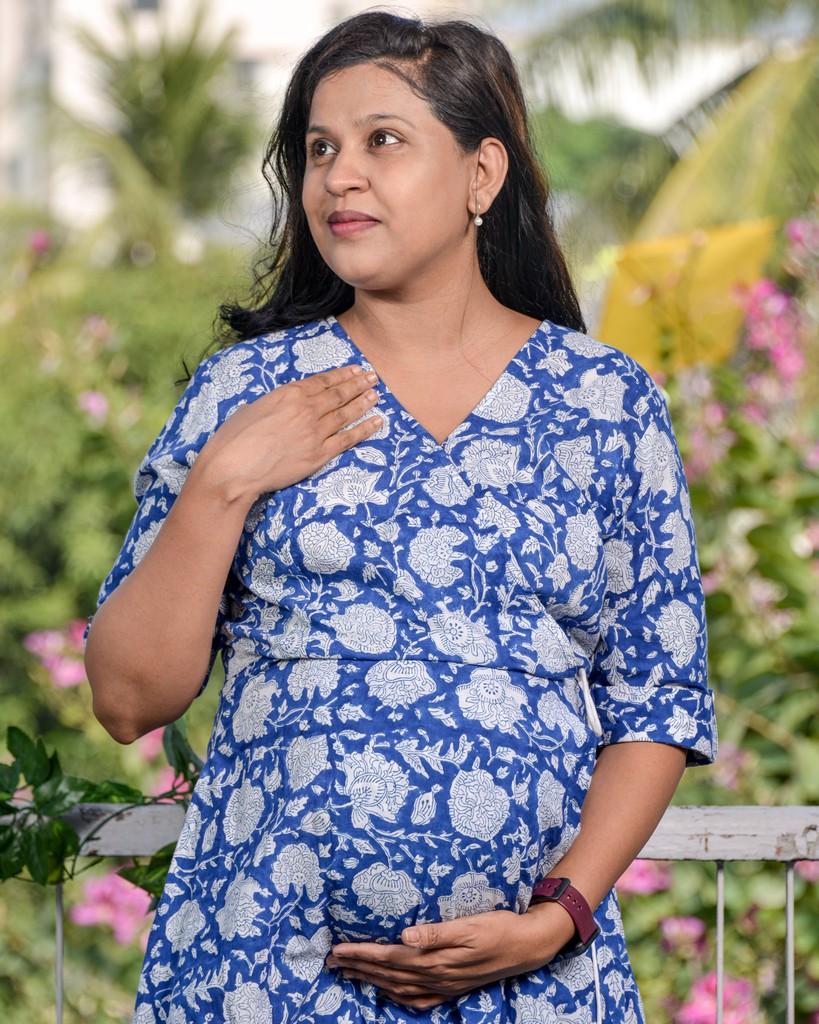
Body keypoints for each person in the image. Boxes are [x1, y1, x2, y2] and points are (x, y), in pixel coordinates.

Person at [85, 11, 717, 1024]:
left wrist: (558, 917)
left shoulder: (606, 402)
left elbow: (657, 699)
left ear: (481, 175)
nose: (340, 176)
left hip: (531, 987)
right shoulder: (244, 392)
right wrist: (223, 483)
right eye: (318, 149)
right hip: (261, 971)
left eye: (382, 140)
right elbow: (126, 699)